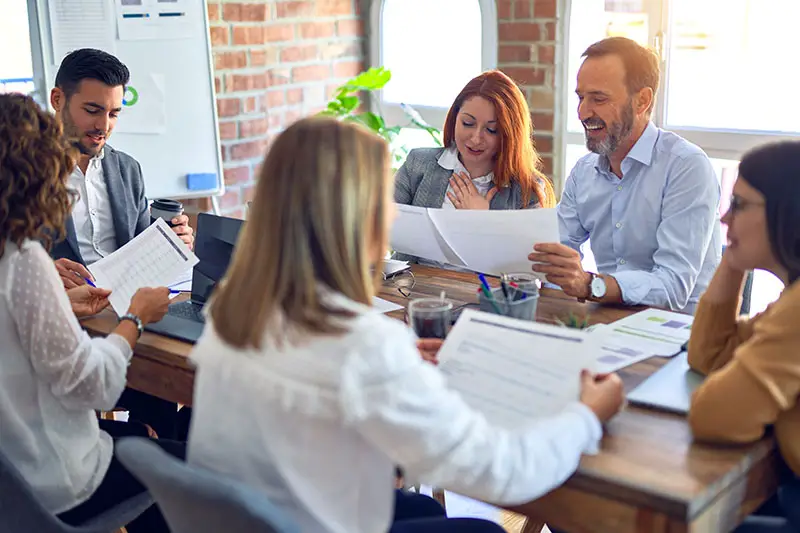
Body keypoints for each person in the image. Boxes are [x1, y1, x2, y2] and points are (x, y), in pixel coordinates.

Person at [186, 117, 625, 533]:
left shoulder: (233, 308)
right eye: (384, 201)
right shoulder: (361, 344)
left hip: (262, 516)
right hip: (318, 519)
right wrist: (586, 414)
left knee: (418, 507)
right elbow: (503, 473)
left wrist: (396, 372)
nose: (394, 215)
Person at [0, 92, 180, 533]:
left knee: (146, 437)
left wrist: (58, 302)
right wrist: (134, 319)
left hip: (13, 477)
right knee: (191, 466)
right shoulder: (22, 260)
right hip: (55, 482)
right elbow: (94, 388)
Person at [47, 48, 189, 438]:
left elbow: (142, 244)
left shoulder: (127, 168)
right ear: (58, 100)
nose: (103, 126)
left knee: (179, 396)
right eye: (92, 110)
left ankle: (164, 471)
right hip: (64, 323)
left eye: (113, 114)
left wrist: (173, 242)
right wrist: (46, 272)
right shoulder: (25, 171)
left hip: (127, 314)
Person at [529, 37, 720, 313]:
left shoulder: (686, 167)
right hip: (609, 322)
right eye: (581, 98)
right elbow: (554, 252)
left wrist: (591, 285)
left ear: (642, 100)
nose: (583, 113)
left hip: (680, 333)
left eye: (599, 99)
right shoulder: (584, 172)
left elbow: (674, 286)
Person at [687, 141, 800, 533]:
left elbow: (713, 417)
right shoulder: (791, 301)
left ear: (787, 212)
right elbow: (709, 353)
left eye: (738, 204)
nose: (723, 217)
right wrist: (733, 259)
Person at [395, 70, 555, 212]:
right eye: (468, 123)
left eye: (491, 130)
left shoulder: (528, 192)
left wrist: (483, 220)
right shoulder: (418, 164)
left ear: (510, 135)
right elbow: (381, 225)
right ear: (455, 117)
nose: (476, 138)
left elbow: (529, 246)